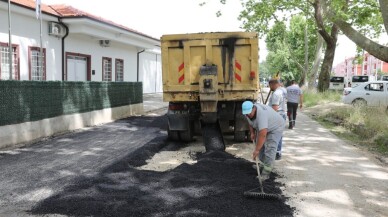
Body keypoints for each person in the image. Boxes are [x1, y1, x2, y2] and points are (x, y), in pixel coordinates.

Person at [242, 101, 284, 181]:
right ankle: (263, 164)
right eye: (246, 114)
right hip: (265, 126)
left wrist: (256, 150)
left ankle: (266, 172)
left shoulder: (261, 115)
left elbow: (263, 134)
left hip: (276, 126)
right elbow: (250, 122)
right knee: (260, 145)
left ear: (253, 108)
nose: (248, 115)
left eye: (249, 113)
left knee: (270, 148)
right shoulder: (247, 113)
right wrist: (252, 133)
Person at [268, 79, 286, 160]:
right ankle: (278, 152)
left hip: (277, 116)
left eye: (270, 85)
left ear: (273, 84)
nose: (269, 87)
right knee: (279, 135)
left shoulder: (276, 93)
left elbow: (275, 108)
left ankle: (275, 153)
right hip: (281, 115)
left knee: (274, 135)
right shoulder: (282, 91)